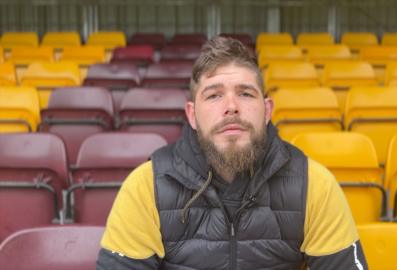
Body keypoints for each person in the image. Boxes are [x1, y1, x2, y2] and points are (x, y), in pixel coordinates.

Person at [96, 36, 368, 270]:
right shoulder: (147, 186)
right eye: (214, 95)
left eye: (246, 94)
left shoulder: (314, 184)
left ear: (267, 111)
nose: (231, 107)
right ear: (192, 115)